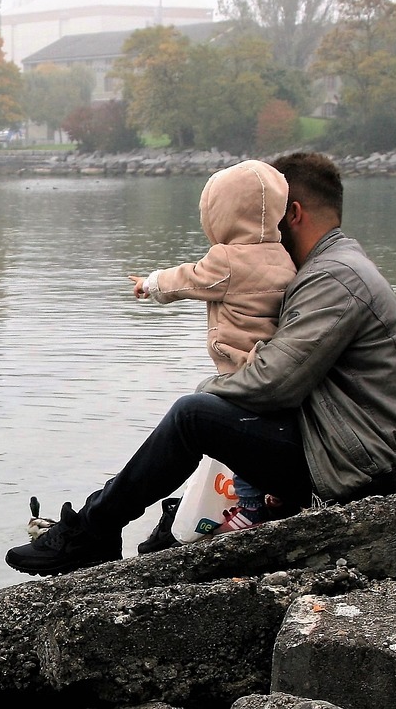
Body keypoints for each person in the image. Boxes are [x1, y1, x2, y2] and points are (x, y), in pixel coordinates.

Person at [6, 151, 396, 577]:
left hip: (374, 470)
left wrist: (207, 393)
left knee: (194, 415)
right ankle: (138, 526)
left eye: (268, 222)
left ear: (293, 213)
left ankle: (92, 530)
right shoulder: (328, 269)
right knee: (212, 415)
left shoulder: (335, 276)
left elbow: (274, 383)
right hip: (362, 453)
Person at [128, 159, 298, 535]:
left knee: (232, 440)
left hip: (240, 369)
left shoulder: (227, 259)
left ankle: (250, 510)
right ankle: (274, 494)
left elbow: (188, 279)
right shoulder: (285, 256)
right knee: (254, 436)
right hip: (273, 366)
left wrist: (150, 284)